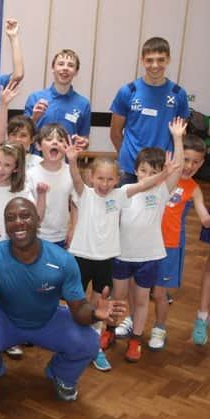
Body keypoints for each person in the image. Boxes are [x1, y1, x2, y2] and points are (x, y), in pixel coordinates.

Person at [0, 197, 127, 401]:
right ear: (6, 226)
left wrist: (95, 314)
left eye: (25, 216)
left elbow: (79, 311)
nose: (19, 222)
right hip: (7, 319)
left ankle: (61, 374)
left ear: (38, 220)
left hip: (48, 318)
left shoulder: (62, 260)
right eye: (11, 218)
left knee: (89, 342)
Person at [66, 140, 176, 371]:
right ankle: (71, 340)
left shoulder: (121, 194)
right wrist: (73, 160)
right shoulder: (83, 193)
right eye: (100, 178)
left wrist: (165, 173)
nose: (104, 183)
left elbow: (143, 185)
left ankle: (94, 345)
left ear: (117, 180)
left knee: (101, 301)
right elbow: (75, 179)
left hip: (106, 259)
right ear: (91, 177)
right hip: (81, 257)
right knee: (75, 300)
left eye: (110, 179)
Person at [110, 118, 185, 363]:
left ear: (161, 175)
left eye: (154, 172)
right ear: (136, 169)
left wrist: (178, 138)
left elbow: (177, 168)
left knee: (141, 300)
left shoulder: (161, 192)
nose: (148, 176)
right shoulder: (124, 191)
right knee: (118, 297)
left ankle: (135, 339)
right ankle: (109, 331)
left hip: (149, 258)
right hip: (122, 255)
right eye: (143, 170)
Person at [149, 134, 210, 350]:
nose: (190, 166)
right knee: (137, 287)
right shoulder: (161, 176)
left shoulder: (193, 188)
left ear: (202, 163)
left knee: (159, 293)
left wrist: (207, 219)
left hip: (170, 246)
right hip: (145, 242)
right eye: (187, 159)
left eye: (196, 162)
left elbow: (203, 216)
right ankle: (131, 319)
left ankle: (159, 328)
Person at [110, 37, 190, 185]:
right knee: (125, 208)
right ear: (142, 60)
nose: (155, 65)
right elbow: (115, 133)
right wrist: (131, 159)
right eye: (149, 60)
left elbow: (179, 136)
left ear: (168, 60)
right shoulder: (127, 91)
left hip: (162, 169)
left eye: (160, 60)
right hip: (130, 168)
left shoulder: (178, 94)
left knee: (157, 208)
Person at [24, 49, 91, 150]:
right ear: (52, 68)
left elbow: (84, 138)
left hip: (67, 162)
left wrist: (84, 143)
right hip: (37, 161)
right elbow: (23, 135)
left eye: (70, 65)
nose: (65, 68)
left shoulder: (83, 104)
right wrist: (34, 118)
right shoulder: (35, 98)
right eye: (61, 64)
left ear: (76, 72)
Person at [27, 124, 76, 247]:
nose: (55, 143)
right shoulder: (30, 174)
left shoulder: (72, 172)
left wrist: (73, 229)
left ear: (66, 147)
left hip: (63, 236)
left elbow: (76, 204)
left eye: (60, 140)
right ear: (38, 146)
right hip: (37, 235)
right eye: (49, 139)